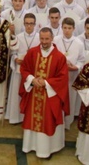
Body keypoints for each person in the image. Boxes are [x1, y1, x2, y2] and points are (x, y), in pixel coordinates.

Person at [19, 27, 69, 159]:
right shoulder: (32, 52)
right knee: (32, 118)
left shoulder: (59, 57)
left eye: (47, 39)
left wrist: (46, 83)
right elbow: (24, 68)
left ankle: (47, 149)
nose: (44, 41)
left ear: (52, 38)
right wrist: (32, 79)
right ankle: (29, 146)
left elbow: (62, 78)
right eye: (42, 38)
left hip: (50, 96)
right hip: (34, 93)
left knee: (48, 120)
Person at [7, 13, 40, 124]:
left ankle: (28, 117)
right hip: (19, 71)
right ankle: (16, 117)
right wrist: (15, 59)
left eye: (31, 24)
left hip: (32, 73)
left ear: (35, 24)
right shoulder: (18, 37)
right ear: (24, 24)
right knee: (17, 94)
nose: (29, 26)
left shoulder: (39, 38)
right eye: (27, 24)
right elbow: (13, 53)